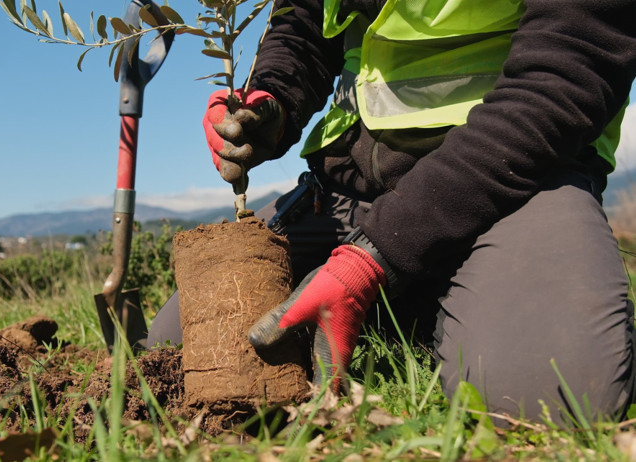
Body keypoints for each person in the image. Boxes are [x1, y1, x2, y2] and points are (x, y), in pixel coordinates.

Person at [147, 0, 636, 425]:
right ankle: (421, 305)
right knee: (171, 355)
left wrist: (373, 258)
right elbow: (304, 23)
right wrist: (271, 99)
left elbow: (570, 71)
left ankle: (432, 297)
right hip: (348, 193)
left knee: (546, 391)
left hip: (515, 181)